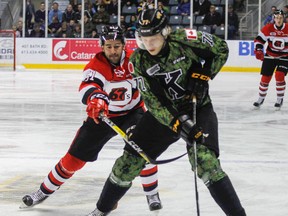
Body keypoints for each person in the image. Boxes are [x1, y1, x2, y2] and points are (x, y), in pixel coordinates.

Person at [86, 8, 246, 216]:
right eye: (144, 38)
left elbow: (221, 48)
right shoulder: (139, 60)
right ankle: (101, 209)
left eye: (153, 38)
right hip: (165, 115)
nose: (149, 44)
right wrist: (179, 124)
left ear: (164, 33)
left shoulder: (185, 39)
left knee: (206, 162)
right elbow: (153, 102)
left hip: (198, 108)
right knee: (129, 161)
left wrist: (205, 74)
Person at [20, 25, 162, 212]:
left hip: (132, 113)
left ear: (123, 45)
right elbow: (89, 86)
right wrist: (96, 98)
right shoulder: (96, 64)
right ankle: (42, 191)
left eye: (117, 46)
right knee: (73, 159)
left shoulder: (135, 60)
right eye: (109, 46)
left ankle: (152, 193)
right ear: (102, 46)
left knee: (141, 150)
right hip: (102, 116)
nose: (113, 51)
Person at [253, 9, 288, 109]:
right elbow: (259, 40)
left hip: (285, 57)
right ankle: (260, 98)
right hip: (270, 55)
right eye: (277, 18)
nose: (279, 20)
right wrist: (259, 50)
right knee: (265, 78)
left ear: (283, 18)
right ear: (274, 18)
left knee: (279, 76)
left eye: (281, 18)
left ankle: (279, 99)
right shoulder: (268, 28)